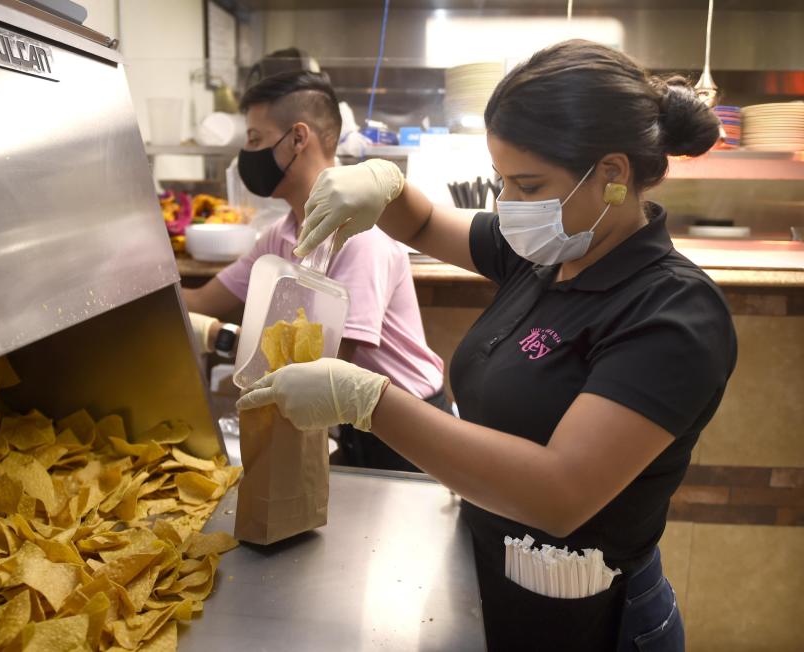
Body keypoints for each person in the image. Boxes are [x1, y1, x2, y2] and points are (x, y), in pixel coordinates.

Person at [236, 40, 736, 651]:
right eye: (501, 180)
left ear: (611, 173)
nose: (508, 206)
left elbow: (559, 494)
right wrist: (382, 185)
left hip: (593, 614)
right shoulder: (549, 251)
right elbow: (421, 224)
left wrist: (370, 400)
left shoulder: (673, 314)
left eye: (527, 184)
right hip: (489, 573)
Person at [182, 70, 447, 472]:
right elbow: (202, 301)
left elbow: (328, 363)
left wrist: (220, 337)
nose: (247, 155)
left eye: (255, 139)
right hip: (351, 416)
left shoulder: (360, 236)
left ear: (297, 139)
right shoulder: (281, 233)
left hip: (406, 423)